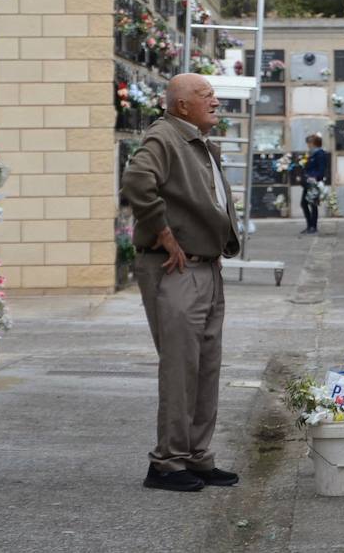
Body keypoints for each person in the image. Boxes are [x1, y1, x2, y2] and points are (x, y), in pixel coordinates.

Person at [120, 73, 241, 492]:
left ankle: (197, 456)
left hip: (206, 267)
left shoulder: (196, 139)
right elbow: (137, 181)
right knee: (180, 367)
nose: (215, 101)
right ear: (181, 105)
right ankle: (167, 463)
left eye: (214, 94)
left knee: (206, 366)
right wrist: (162, 231)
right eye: (205, 95)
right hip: (176, 268)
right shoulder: (164, 136)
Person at [300, 133, 331, 235]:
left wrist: (315, 177)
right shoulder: (311, 153)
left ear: (314, 143)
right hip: (308, 183)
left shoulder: (320, 153)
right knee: (304, 203)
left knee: (313, 204)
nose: (308, 145)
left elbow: (321, 169)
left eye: (309, 143)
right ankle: (309, 226)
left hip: (314, 183)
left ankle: (313, 226)